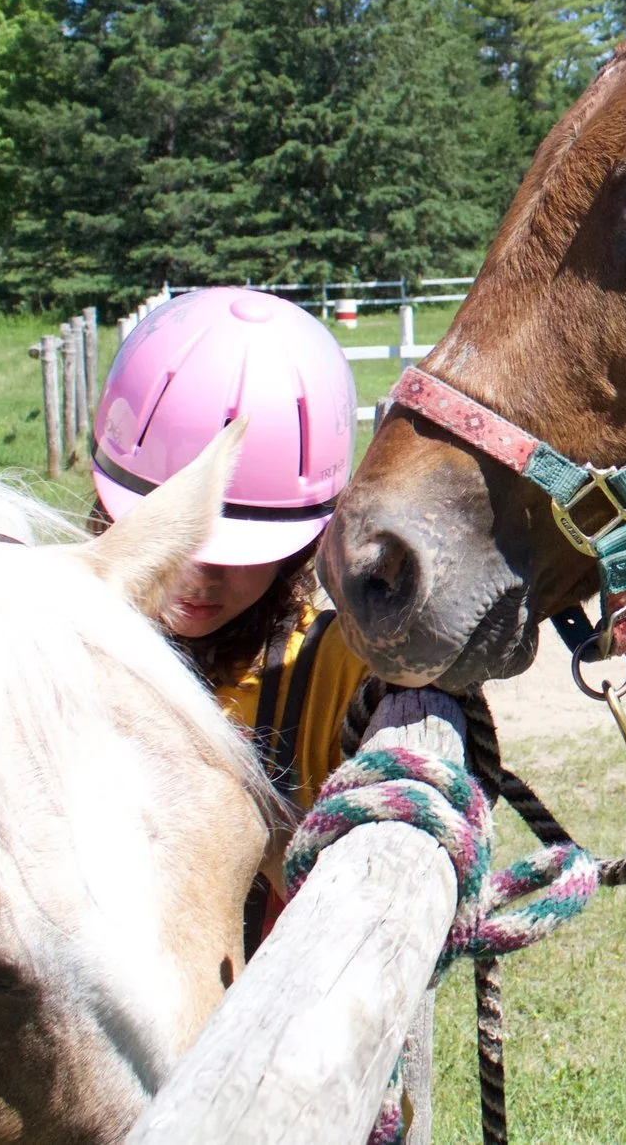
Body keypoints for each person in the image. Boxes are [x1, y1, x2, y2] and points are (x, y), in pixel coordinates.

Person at [90, 285, 372, 951]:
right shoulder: (57, 637)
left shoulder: (327, 667)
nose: (200, 574)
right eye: (174, 538)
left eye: (243, 554)